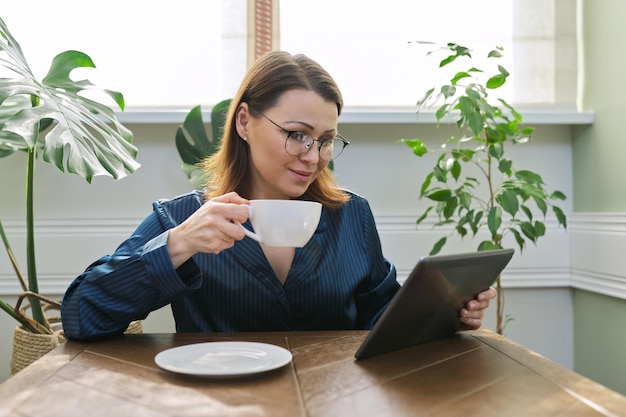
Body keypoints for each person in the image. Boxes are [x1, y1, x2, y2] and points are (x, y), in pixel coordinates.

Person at [61, 50, 496, 340]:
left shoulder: (352, 217)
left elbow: (380, 320)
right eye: (296, 135)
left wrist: (446, 316)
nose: (314, 156)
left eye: (326, 140)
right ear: (246, 122)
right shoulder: (182, 219)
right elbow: (82, 315)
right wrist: (178, 245)